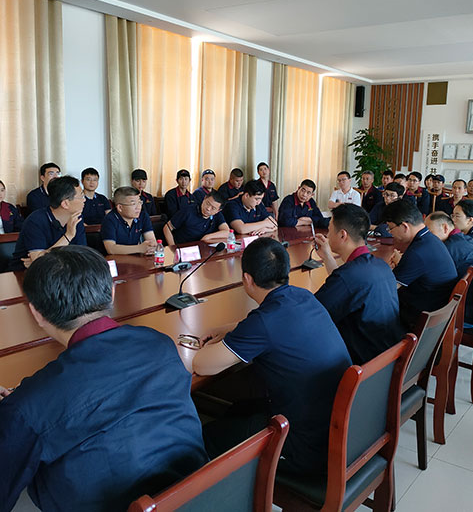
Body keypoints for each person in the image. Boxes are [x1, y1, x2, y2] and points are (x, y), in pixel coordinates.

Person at [0, 246, 207, 512]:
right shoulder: (159, 343)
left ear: (36, 313)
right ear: (112, 292)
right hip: (194, 497)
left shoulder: (31, 402)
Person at [193, 238, 351, 474]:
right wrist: (231, 329)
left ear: (247, 279)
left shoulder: (264, 323)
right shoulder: (303, 296)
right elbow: (271, 324)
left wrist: (210, 343)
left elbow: (202, 365)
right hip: (332, 430)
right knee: (237, 410)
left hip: (303, 448)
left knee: (206, 439)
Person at [313, 204, 403, 364]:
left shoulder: (348, 276)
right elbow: (345, 286)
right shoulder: (381, 265)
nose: (327, 234)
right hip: (387, 358)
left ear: (342, 235)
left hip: (361, 364)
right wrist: (327, 256)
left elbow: (313, 314)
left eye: (329, 230)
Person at [382, 200, 457, 328]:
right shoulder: (430, 239)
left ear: (405, 226)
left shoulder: (418, 252)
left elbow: (389, 288)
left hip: (422, 317)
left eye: (391, 228)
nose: (390, 232)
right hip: (436, 308)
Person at [11, 176, 87, 271]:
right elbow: (39, 263)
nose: (84, 200)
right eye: (81, 196)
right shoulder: (36, 220)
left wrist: (44, 259)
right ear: (65, 204)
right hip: (25, 273)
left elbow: (82, 255)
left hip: (61, 270)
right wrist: (68, 235)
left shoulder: (76, 218)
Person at [425, 211, 473, 325]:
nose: (426, 237)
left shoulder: (448, 248)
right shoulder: (464, 238)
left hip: (464, 313)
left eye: (429, 232)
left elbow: (428, 273)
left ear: (445, 228)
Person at [101, 187, 157, 255]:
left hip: (136, 258)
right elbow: (111, 249)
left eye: (139, 202)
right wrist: (139, 248)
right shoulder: (110, 220)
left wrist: (151, 247)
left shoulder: (143, 216)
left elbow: (151, 240)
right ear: (120, 207)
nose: (138, 207)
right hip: (115, 259)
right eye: (133, 204)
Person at [163, 191, 229, 245]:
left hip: (202, 249)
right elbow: (167, 228)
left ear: (218, 210)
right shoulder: (188, 211)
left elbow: (227, 232)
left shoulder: (217, 215)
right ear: (204, 198)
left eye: (213, 208)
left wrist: (207, 237)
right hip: (183, 248)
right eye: (208, 203)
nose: (208, 209)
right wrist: (173, 248)